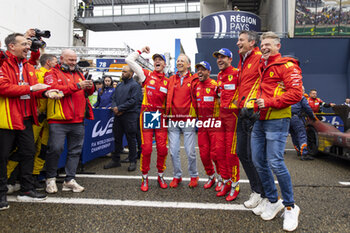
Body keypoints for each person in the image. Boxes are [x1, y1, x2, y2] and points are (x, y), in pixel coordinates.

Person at [0, 33, 59, 209]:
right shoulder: (2, 63)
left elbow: (34, 87)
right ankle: (1, 193)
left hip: (26, 118)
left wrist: (46, 93)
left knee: (28, 152)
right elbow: (3, 88)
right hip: (7, 119)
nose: (29, 47)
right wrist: (32, 88)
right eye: (24, 44)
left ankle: (26, 190)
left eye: (28, 44)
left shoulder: (27, 65)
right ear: (12, 46)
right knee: (2, 157)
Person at [251, 31, 303, 232]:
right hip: (260, 119)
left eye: (268, 44)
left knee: (275, 162)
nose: (264, 47)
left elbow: (297, 93)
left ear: (278, 46)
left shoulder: (287, 65)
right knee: (258, 161)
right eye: (262, 44)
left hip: (278, 119)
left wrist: (270, 102)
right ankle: (273, 200)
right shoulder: (262, 66)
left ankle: (290, 206)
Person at [44, 49, 95, 194]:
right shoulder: (51, 73)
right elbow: (54, 90)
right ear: (61, 59)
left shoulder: (78, 73)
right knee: (55, 149)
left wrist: (89, 87)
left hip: (78, 120)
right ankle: (50, 179)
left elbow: (85, 93)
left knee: (75, 151)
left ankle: (69, 180)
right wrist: (78, 86)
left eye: (74, 60)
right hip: (58, 119)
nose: (73, 63)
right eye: (70, 60)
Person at [125, 46, 169, 191]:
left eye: (160, 60)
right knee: (147, 149)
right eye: (155, 59)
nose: (157, 61)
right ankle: (144, 178)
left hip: (161, 116)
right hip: (148, 115)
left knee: (162, 149)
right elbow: (128, 60)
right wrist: (140, 51)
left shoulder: (168, 82)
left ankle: (160, 175)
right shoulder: (146, 75)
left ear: (164, 64)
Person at [235, 30, 266, 209]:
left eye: (241, 40)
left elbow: (269, 81)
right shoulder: (243, 60)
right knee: (242, 153)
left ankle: (265, 195)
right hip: (243, 114)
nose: (238, 43)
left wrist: (258, 107)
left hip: (254, 115)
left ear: (252, 42)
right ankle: (257, 191)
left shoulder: (260, 58)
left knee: (256, 157)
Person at [166, 54, 199, 188]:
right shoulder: (171, 79)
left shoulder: (194, 78)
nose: (179, 63)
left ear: (188, 64)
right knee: (173, 151)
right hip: (173, 120)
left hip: (188, 120)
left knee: (190, 150)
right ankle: (177, 176)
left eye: (182, 61)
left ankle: (194, 175)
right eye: (178, 61)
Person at [213, 48, 240, 201]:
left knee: (231, 154)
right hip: (221, 117)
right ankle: (226, 181)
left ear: (230, 59)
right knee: (219, 152)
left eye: (223, 57)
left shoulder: (237, 73)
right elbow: (218, 95)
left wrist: (235, 106)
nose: (220, 60)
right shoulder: (220, 75)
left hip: (233, 118)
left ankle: (235, 184)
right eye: (218, 57)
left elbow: (245, 91)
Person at [103, 65, 141, 172]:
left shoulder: (135, 86)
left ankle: (133, 161)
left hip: (129, 115)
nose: (122, 73)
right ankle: (115, 160)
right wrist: (115, 108)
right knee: (117, 138)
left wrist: (120, 108)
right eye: (122, 71)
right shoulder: (119, 86)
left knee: (131, 139)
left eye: (125, 72)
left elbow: (133, 101)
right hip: (118, 116)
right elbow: (114, 98)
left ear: (131, 73)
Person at [192, 61, 221, 189]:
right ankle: (211, 176)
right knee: (204, 154)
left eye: (203, 69)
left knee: (215, 154)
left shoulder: (215, 85)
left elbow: (223, 102)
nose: (200, 72)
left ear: (209, 72)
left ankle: (222, 178)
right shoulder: (196, 86)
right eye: (198, 69)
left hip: (214, 125)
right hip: (202, 125)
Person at [290, 87, 317, 161]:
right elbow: (307, 108)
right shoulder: (301, 98)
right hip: (296, 118)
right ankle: (304, 154)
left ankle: (299, 150)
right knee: (302, 134)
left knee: (293, 135)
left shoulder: (289, 96)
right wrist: (313, 117)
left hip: (286, 118)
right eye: (303, 90)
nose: (304, 92)